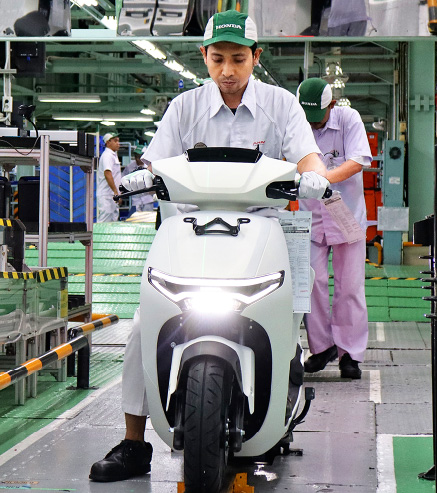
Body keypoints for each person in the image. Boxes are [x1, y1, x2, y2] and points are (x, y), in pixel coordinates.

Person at [89, 10, 332, 483]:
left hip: (262, 232)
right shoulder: (185, 108)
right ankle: (134, 443)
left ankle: (277, 407)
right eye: (218, 59)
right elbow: (155, 163)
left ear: (256, 57)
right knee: (142, 326)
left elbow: (309, 158)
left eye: (238, 59)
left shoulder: (281, 105)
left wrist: (314, 177)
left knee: (285, 320)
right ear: (204, 56)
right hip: (189, 235)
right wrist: (141, 176)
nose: (227, 70)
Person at [295, 78, 372, 379]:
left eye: (318, 117)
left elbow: (358, 160)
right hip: (312, 218)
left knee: (349, 287)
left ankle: (349, 354)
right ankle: (322, 347)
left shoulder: (348, 119)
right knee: (311, 283)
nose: (313, 124)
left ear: (332, 105)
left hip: (346, 216)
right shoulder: (297, 122)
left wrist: (323, 178)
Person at [95, 132, 122, 222]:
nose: (118, 143)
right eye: (115, 141)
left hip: (112, 195)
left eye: (118, 141)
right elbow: (107, 173)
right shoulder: (107, 156)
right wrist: (116, 192)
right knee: (104, 220)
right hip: (107, 195)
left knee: (113, 220)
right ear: (108, 142)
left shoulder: (113, 155)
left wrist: (118, 193)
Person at [125, 146, 157, 213]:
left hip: (147, 200)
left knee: (148, 218)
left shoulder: (150, 167)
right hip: (135, 201)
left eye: (139, 156)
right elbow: (124, 180)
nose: (137, 159)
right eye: (136, 156)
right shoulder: (129, 167)